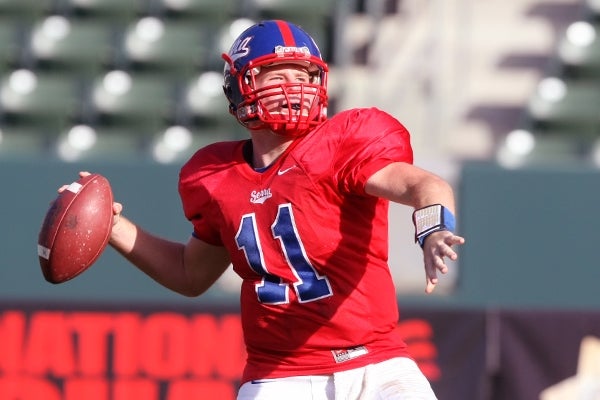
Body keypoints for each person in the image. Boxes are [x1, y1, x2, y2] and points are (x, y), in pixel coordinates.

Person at [69, 20, 465, 400]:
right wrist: (115, 227)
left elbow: (424, 185)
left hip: (374, 364)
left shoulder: (342, 143)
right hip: (280, 376)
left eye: (304, 76)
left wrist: (433, 229)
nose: (296, 88)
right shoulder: (213, 176)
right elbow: (191, 275)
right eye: (277, 76)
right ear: (240, 88)